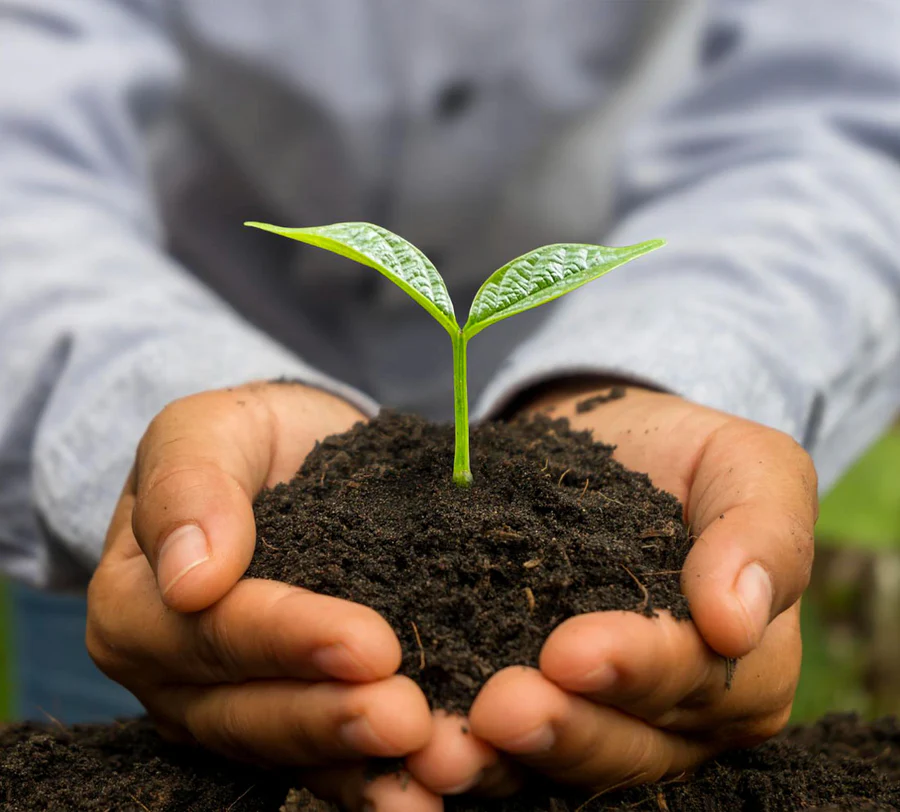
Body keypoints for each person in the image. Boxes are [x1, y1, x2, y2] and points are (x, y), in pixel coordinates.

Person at [1, 0, 899, 809]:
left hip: (590, 346)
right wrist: (151, 411)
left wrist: (671, 370)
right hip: (159, 373)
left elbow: (846, 117)